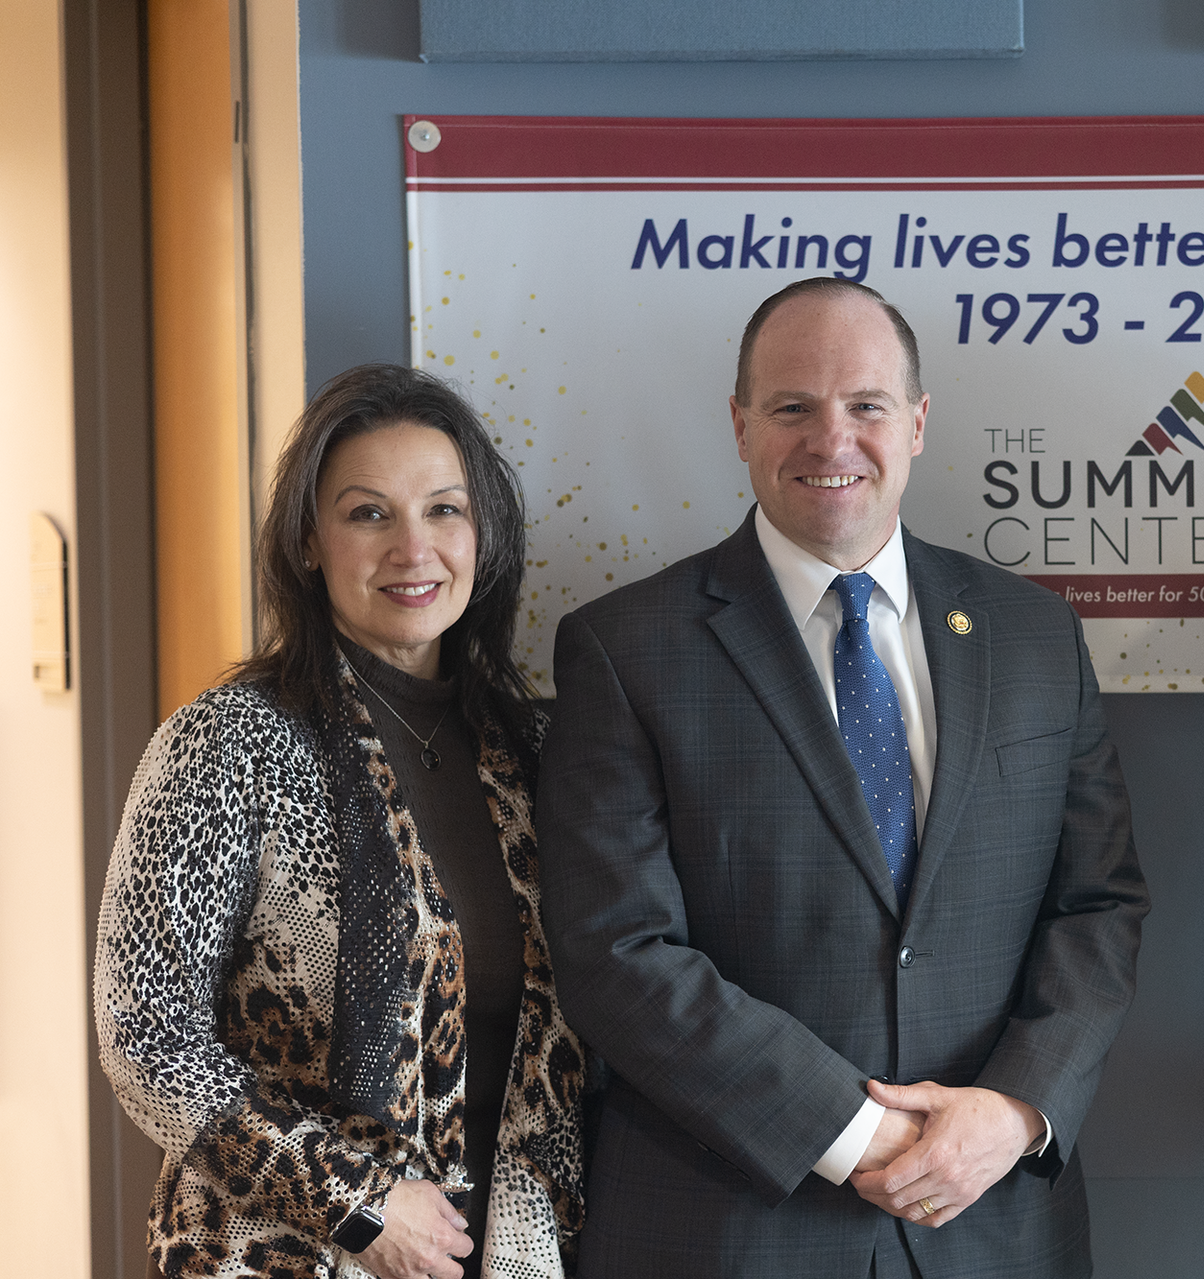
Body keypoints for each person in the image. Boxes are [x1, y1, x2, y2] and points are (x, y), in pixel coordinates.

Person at [538, 277, 1149, 1278]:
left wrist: (1013, 1110)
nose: (832, 441)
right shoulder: (625, 649)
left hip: (992, 1226)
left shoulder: (1035, 636)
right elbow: (617, 950)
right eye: (792, 408)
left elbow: (1100, 905)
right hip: (731, 1226)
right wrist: (851, 1132)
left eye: (865, 405)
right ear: (739, 426)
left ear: (916, 423)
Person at [95, 365, 590, 1279]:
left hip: (507, 1251)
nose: (414, 547)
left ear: (483, 533)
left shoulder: (532, 748)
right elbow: (147, 1032)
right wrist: (354, 1205)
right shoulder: (231, 739)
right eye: (369, 513)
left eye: (444, 510)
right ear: (311, 541)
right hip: (283, 1254)